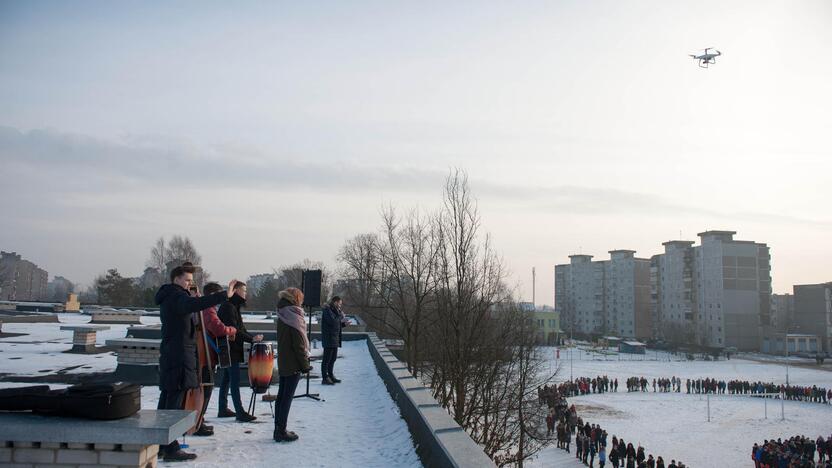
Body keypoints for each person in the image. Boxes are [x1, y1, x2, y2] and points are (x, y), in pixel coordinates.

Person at [156, 264, 238, 461]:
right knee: (173, 400)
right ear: (176, 279)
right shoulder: (176, 297)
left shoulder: (171, 295)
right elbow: (194, 305)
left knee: (168, 398)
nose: (189, 284)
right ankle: (170, 446)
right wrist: (222, 295)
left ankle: (161, 442)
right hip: (178, 356)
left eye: (191, 281)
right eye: (186, 280)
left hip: (174, 353)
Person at [193, 282, 237, 436]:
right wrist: (232, 329)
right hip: (206, 356)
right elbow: (219, 329)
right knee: (206, 389)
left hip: (206, 355)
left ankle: (200, 420)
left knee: (206, 388)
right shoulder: (208, 310)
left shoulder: (204, 309)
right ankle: (199, 422)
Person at [217, 281, 263, 422]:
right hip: (229, 348)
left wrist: (252, 338)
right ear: (235, 291)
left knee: (226, 379)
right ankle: (239, 412)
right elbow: (234, 329)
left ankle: (222, 408)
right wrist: (252, 339)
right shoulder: (229, 307)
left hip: (230, 348)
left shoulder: (233, 306)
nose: (245, 293)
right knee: (234, 380)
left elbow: (240, 328)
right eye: (243, 290)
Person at [273, 287, 312, 442]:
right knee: (286, 398)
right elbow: (299, 345)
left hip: (284, 360)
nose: (302, 301)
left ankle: (278, 428)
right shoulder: (293, 316)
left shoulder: (283, 313)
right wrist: (305, 365)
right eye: (300, 298)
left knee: (281, 397)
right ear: (295, 298)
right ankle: (281, 431)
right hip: (293, 363)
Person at [320, 296, 348, 385]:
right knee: (326, 360)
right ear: (335, 302)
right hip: (328, 338)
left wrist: (344, 324)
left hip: (335, 338)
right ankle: (325, 378)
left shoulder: (336, 311)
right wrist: (341, 316)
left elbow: (336, 324)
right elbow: (332, 321)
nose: (340, 305)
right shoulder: (327, 310)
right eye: (339, 303)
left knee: (333, 359)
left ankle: (331, 375)